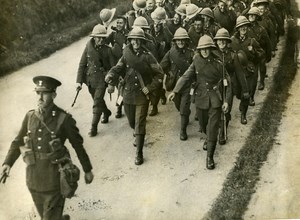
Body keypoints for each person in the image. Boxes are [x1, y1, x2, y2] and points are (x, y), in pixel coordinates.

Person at [1, 75, 94, 220]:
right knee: (47, 216)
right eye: (38, 93)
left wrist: (87, 170)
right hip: (33, 180)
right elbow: (18, 141)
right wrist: (7, 163)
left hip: (54, 181)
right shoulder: (30, 116)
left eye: (44, 93)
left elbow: (78, 145)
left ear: (54, 94)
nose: (40, 97)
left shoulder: (64, 119)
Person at [168, 35, 232, 170]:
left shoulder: (219, 63)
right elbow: (186, 76)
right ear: (199, 50)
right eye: (202, 49)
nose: (204, 51)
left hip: (215, 97)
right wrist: (175, 91)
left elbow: (227, 83)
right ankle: (208, 137)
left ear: (210, 48)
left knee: (212, 128)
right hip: (200, 97)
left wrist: (226, 100)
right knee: (203, 125)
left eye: (206, 49)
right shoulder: (196, 61)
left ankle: (210, 157)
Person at [105, 27, 164, 165]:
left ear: (142, 41)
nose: (136, 42)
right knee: (132, 122)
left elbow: (160, 74)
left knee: (139, 124)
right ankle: (137, 135)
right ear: (130, 40)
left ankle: (139, 153)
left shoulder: (148, 56)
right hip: (127, 93)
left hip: (142, 95)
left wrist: (149, 88)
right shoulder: (126, 55)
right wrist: (111, 75)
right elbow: (118, 67)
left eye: (138, 40)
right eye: (133, 40)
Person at [76, 24, 116, 137]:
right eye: (98, 37)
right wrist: (78, 81)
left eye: (103, 37)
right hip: (89, 80)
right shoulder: (88, 47)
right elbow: (82, 64)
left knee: (97, 102)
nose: (101, 40)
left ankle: (93, 127)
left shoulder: (108, 50)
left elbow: (113, 69)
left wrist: (111, 84)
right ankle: (107, 112)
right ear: (93, 37)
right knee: (97, 100)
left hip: (102, 80)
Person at [213, 28, 249, 144]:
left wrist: (245, 89)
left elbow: (239, 73)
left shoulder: (233, 56)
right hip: (215, 86)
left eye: (224, 40)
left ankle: (223, 132)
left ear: (227, 42)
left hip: (229, 86)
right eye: (219, 40)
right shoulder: (212, 54)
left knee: (226, 109)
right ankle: (211, 134)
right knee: (214, 110)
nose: (221, 43)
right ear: (216, 41)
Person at [160, 27, 194, 140]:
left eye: (182, 40)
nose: (180, 42)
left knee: (183, 108)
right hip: (174, 84)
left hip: (187, 84)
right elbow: (162, 66)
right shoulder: (171, 53)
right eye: (178, 40)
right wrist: (167, 73)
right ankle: (185, 113)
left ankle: (183, 130)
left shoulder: (191, 53)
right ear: (175, 41)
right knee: (178, 105)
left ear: (186, 41)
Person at [231, 16, 264, 107]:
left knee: (249, 89)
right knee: (237, 92)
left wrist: (253, 51)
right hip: (237, 69)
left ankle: (244, 110)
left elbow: (261, 53)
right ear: (237, 28)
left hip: (249, 69)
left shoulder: (252, 41)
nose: (243, 28)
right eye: (241, 26)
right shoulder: (232, 41)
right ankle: (243, 99)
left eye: (245, 26)